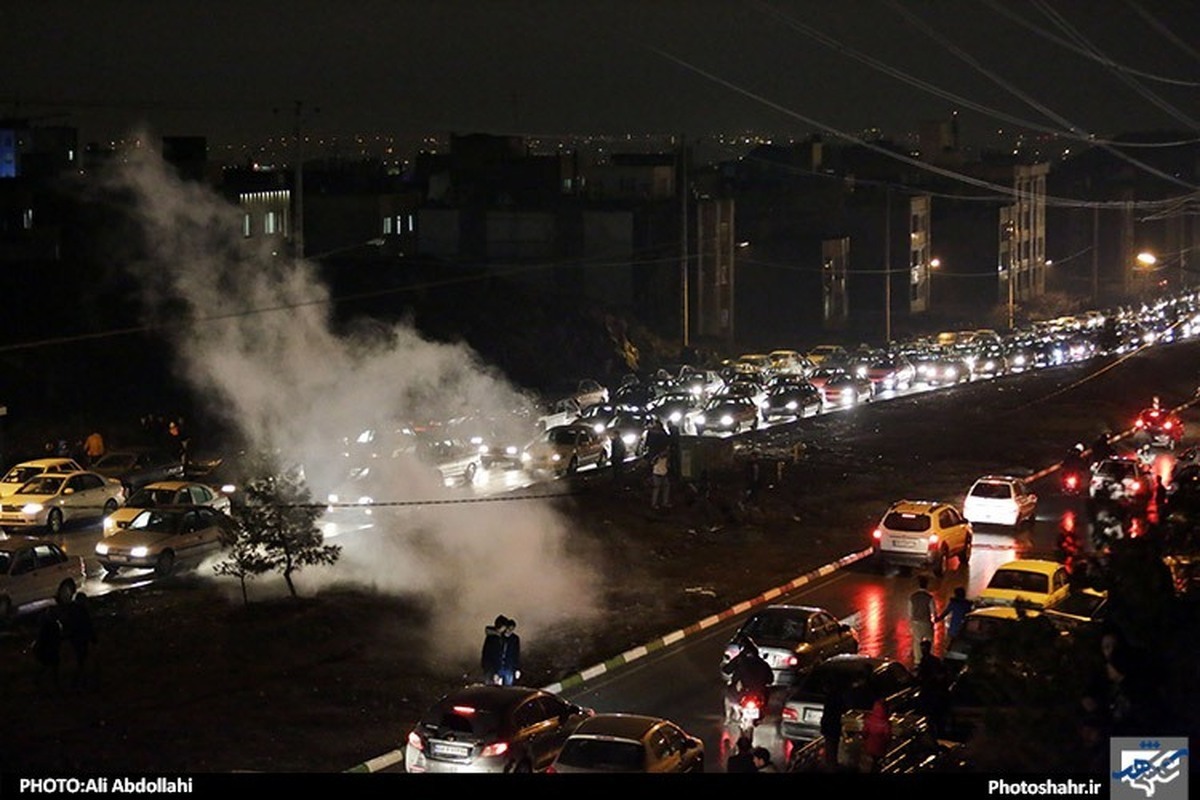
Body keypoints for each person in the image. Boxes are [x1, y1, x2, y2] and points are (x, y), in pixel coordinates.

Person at [721, 637, 773, 722]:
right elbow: (770, 680)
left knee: (729, 694)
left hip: (743, 692)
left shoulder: (740, 660)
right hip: (758, 694)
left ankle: (729, 718)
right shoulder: (762, 663)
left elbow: (727, 670)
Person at [62, 592, 97, 689]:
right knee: (82, 657)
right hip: (81, 637)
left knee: (79, 657)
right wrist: (93, 638)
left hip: (73, 637)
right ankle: (79, 678)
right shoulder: (82, 611)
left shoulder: (70, 610)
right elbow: (87, 625)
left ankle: (78, 678)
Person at [908, 575, 938, 665]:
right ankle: (929, 658)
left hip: (915, 622)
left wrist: (911, 621)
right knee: (930, 640)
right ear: (927, 585)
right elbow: (933, 611)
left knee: (917, 641)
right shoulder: (929, 597)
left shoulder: (912, 596)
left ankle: (917, 660)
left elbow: (909, 612)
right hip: (926, 622)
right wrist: (934, 619)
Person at [31, 607, 63, 693]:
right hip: (49, 649)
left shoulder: (47, 625)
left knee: (48, 665)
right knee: (52, 665)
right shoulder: (52, 626)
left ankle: (44, 680)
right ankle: (54, 682)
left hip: (46, 649)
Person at [819, 683, 848, 768]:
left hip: (830, 727)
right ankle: (831, 763)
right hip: (833, 727)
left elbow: (826, 715)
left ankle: (830, 764)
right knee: (832, 747)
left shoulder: (829, 700)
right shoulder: (836, 699)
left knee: (830, 747)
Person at [861, 699, 892, 772]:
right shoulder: (886, 723)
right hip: (881, 747)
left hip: (870, 746)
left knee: (872, 762)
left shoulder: (869, 720)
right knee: (878, 764)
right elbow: (887, 736)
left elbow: (865, 732)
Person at [480, 615, 508, 684]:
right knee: (493, 689)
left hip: (489, 667)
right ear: (502, 626)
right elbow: (496, 655)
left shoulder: (491, 637)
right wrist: (497, 671)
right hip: (492, 669)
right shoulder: (495, 639)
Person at [496, 617, 521, 686]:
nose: (510, 631)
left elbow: (516, 654)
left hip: (509, 666)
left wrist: (516, 668)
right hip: (500, 666)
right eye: (509, 628)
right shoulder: (499, 637)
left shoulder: (515, 639)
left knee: (508, 686)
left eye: (512, 629)